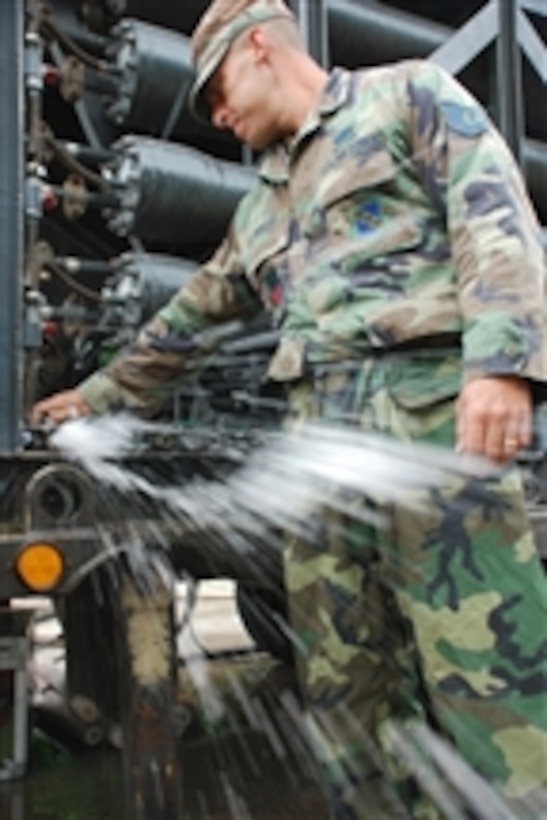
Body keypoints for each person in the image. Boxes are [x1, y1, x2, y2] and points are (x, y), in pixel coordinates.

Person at [32, 0, 547, 816]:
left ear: (260, 46)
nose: (218, 115)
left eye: (217, 91)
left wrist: (501, 365)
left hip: (434, 427)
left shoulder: (405, 95)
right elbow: (189, 322)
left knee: (488, 687)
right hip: (319, 448)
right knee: (345, 699)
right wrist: (92, 398)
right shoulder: (260, 208)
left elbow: (492, 215)